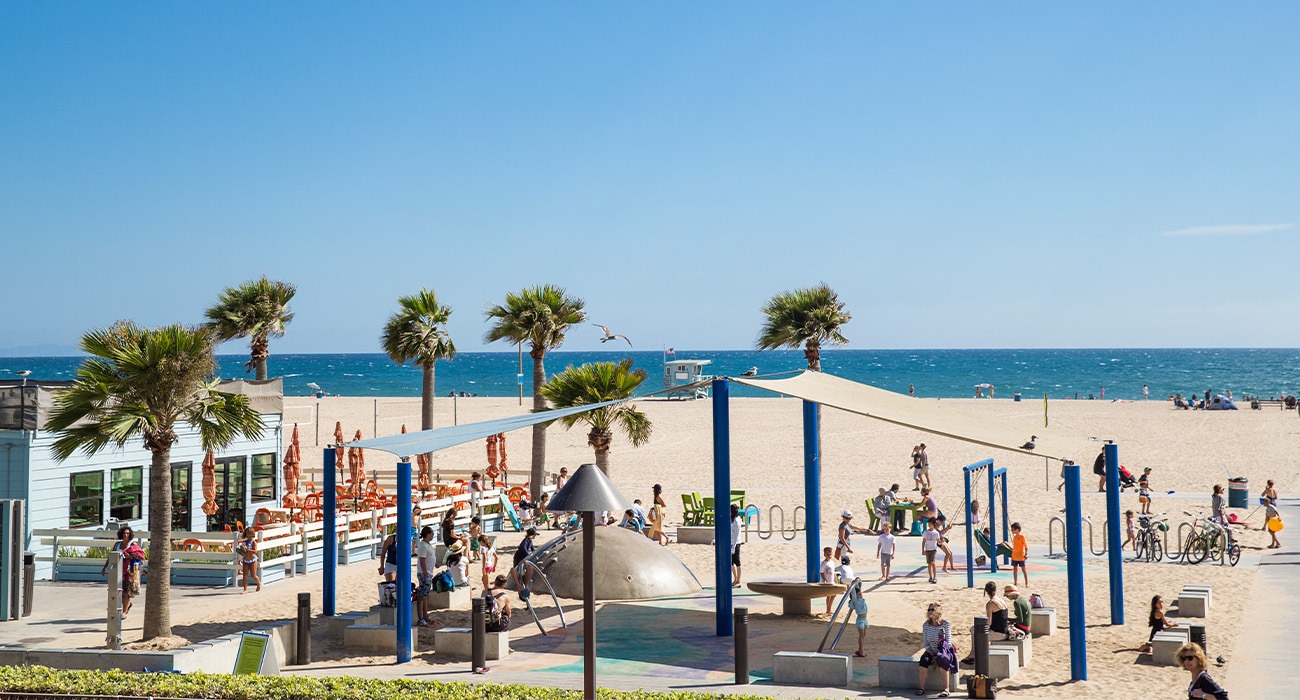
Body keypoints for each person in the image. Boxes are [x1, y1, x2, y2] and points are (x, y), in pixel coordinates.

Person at [102, 526, 144, 617]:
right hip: (117, 571)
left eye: (128, 533)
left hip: (128, 571)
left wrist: (130, 556)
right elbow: (111, 556)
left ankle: (124, 612)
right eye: (124, 533)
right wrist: (105, 567)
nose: (126, 535)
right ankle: (127, 605)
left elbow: (140, 556)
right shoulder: (117, 545)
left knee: (126, 591)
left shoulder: (132, 544)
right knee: (117, 591)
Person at [917, 602, 956, 697]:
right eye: (929, 610)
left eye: (932, 610)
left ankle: (946, 689)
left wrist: (939, 651)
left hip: (943, 650)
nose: (930, 612)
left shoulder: (945, 625)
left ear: (938, 612)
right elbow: (926, 643)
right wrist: (932, 654)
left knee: (942, 659)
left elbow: (949, 643)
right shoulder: (926, 625)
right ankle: (921, 688)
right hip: (931, 650)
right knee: (923, 660)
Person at [415, 526, 437, 627]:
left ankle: (425, 615)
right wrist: (425, 573)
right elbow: (422, 560)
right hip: (425, 574)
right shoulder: (423, 545)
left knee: (426, 596)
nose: (432, 536)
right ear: (428, 534)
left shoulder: (427, 545)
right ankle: (420, 618)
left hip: (428, 572)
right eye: (432, 534)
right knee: (422, 596)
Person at [509, 526, 539, 595]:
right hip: (519, 557)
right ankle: (518, 583)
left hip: (524, 557)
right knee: (517, 568)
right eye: (534, 535)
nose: (535, 536)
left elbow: (532, 549)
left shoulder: (530, 541)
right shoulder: (525, 541)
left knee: (526, 569)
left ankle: (524, 580)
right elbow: (523, 549)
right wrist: (528, 555)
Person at [845, 577, 869, 658]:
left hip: (865, 620)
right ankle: (861, 651)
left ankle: (860, 649)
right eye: (859, 594)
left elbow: (858, 590)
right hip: (860, 621)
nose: (860, 594)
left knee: (864, 635)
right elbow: (853, 593)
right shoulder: (855, 600)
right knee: (861, 636)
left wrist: (857, 583)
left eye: (860, 593)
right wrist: (852, 585)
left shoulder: (862, 600)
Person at [1002, 522, 1029, 587]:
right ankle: (1015, 582)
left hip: (1021, 556)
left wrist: (1026, 554)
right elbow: (1014, 548)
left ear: (1017, 529)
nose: (1012, 531)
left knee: (1023, 569)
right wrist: (1007, 545)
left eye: (1013, 530)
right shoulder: (1015, 537)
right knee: (1015, 569)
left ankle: (1026, 583)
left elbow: (1026, 546)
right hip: (1015, 556)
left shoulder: (1022, 537)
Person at [237, 527, 261, 594]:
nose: (249, 536)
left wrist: (247, 549)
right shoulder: (244, 542)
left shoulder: (254, 542)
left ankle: (258, 583)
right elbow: (242, 550)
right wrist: (242, 549)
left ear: (253, 534)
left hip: (253, 560)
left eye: (251, 534)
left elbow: (255, 551)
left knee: (253, 575)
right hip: (245, 560)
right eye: (248, 534)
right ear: (246, 535)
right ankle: (245, 589)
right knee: (245, 575)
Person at [921, 519, 941, 584]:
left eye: (930, 524)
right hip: (927, 549)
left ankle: (935, 577)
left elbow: (939, 541)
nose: (929, 525)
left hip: (933, 549)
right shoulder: (926, 532)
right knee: (929, 563)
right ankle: (930, 577)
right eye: (928, 524)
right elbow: (923, 541)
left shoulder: (936, 533)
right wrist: (922, 550)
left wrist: (941, 542)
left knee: (933, 562)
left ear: (933, 524)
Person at [820, 546, 837, 616]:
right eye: (827, 555)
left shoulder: (832, 563)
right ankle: (828, 609)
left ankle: (829, 608)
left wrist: (835, 580)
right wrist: (824, 580)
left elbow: (834, 572)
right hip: (827, 581)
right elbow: (821, 572)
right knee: (828, 595)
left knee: (834, 594)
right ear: (824, 555)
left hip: (832, 581)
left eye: (830, 554)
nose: (829, 556)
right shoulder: (824, 563)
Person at [730, 503, 743, 588]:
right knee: (731, 562)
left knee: (737, 562)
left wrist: (734, 547)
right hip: (730, 542)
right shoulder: (731, 519)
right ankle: (735, 578)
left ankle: (738, 580)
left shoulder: (737, 521)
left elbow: (736, 535)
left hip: (736, 543)